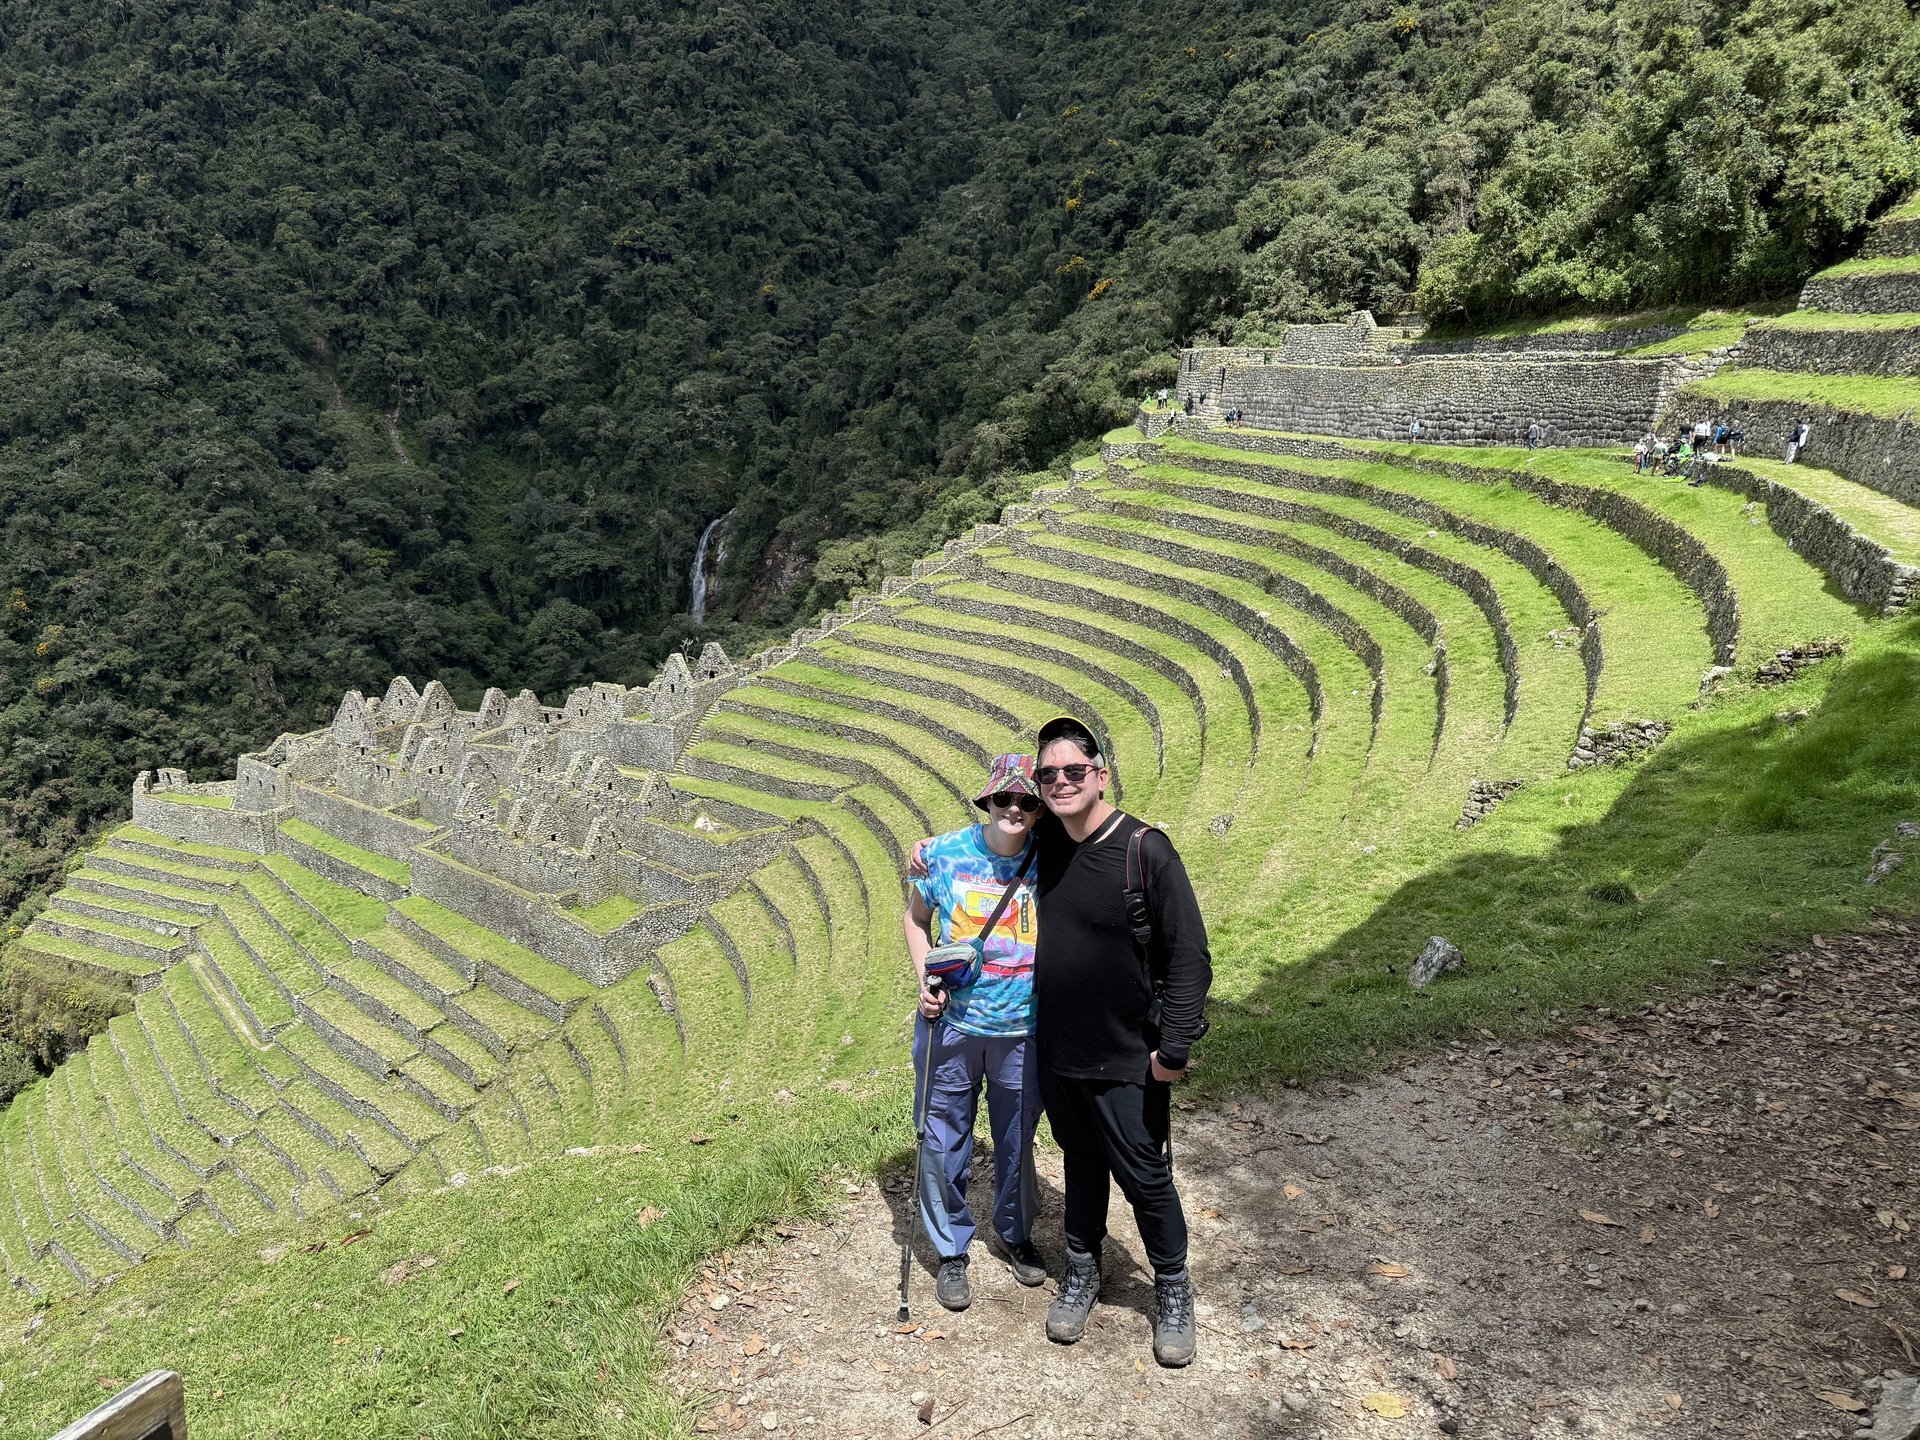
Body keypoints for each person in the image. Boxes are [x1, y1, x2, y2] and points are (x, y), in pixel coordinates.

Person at [903, 755, 1048, 1310]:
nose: (1014, 809)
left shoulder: (1051, 857)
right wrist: (925, 979)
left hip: (1023, 1029)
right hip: (952, 1023)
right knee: (941, 1138)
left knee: (1017, 1140)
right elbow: (916, 920)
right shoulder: (941, 854)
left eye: (1026, 802)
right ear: (985, 800)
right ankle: (951, 1250)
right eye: (1004, 799)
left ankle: (1015, 1235)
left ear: (1038, 812)